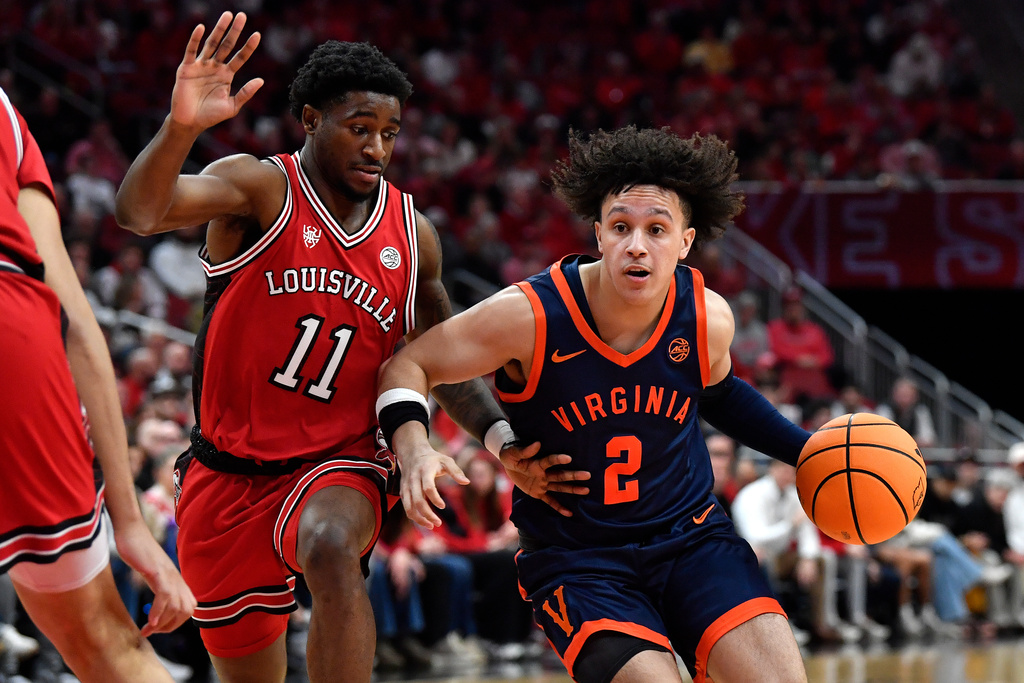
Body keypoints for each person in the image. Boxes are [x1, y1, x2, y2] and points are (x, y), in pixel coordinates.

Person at [114, 12, 569, 683]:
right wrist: (182, 128)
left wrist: (503, 440)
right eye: (360, 128)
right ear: (310, 120)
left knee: (330, 545)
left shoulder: (413, 234)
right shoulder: (260, 189)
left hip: (337, 462)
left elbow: (444, 361)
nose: (377, 148)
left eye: (389, 134)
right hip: (224, 474)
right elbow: (140, 213)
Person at [377, 126, 816, 683]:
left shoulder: (707, 317)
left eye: (657, 229)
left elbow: (721, 393)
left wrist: (807, 451)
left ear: (685, 242)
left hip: (692, 539)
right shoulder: (531, 315)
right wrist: (422, 447)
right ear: (599, 234)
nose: (637, 244)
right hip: (579, 559)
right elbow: (409, 364)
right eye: (621, 227)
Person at [0, 86, 195, 682]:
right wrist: (128, 522)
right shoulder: (5, 111)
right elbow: (78, 324)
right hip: (16, 333)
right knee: (106, 648)